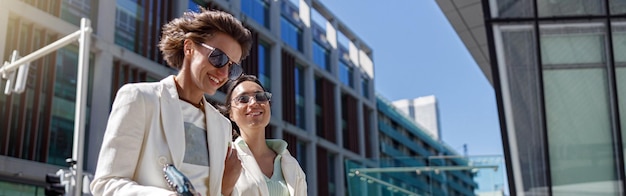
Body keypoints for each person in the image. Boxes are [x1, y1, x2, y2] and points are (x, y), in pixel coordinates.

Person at [90, 8, 252, 196]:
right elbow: (106, 184)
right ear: (189, 47)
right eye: (218, 57)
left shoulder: (222, 125)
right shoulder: (140, 99)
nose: (223, 73)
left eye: (232, 67)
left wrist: (227, 189)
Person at [219, 75, 307, 196]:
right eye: (243, 99)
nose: (254, 103)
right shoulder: (224, 158)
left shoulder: (291, 163)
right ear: (231, 114)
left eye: (260, 97)